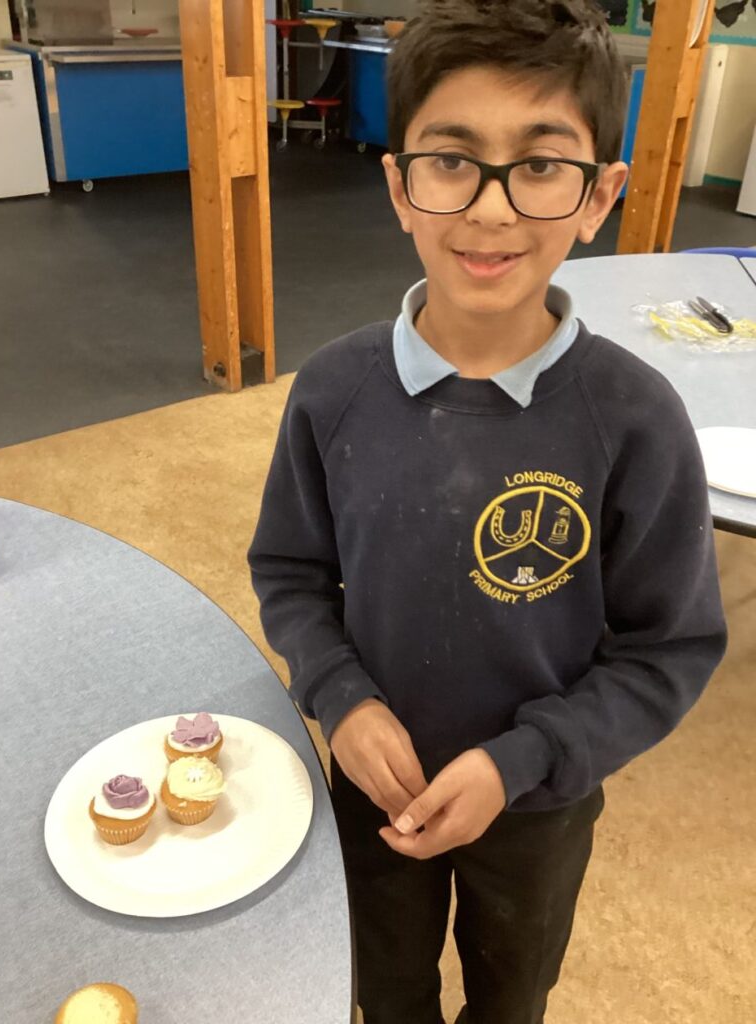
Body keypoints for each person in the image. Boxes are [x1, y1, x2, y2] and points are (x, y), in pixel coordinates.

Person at [248, 2, 727, 1021]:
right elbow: (290, 572)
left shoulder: (637, 419)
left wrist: (527, 760)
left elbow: (668, 649)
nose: (492, 209)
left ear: (599, 195)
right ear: (399, 187)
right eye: (453, 161)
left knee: (512, 995)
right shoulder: (332, 390)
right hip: (371, 781)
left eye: (540, 164)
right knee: (381, 987)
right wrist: (339, 695)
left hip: (541, 802)